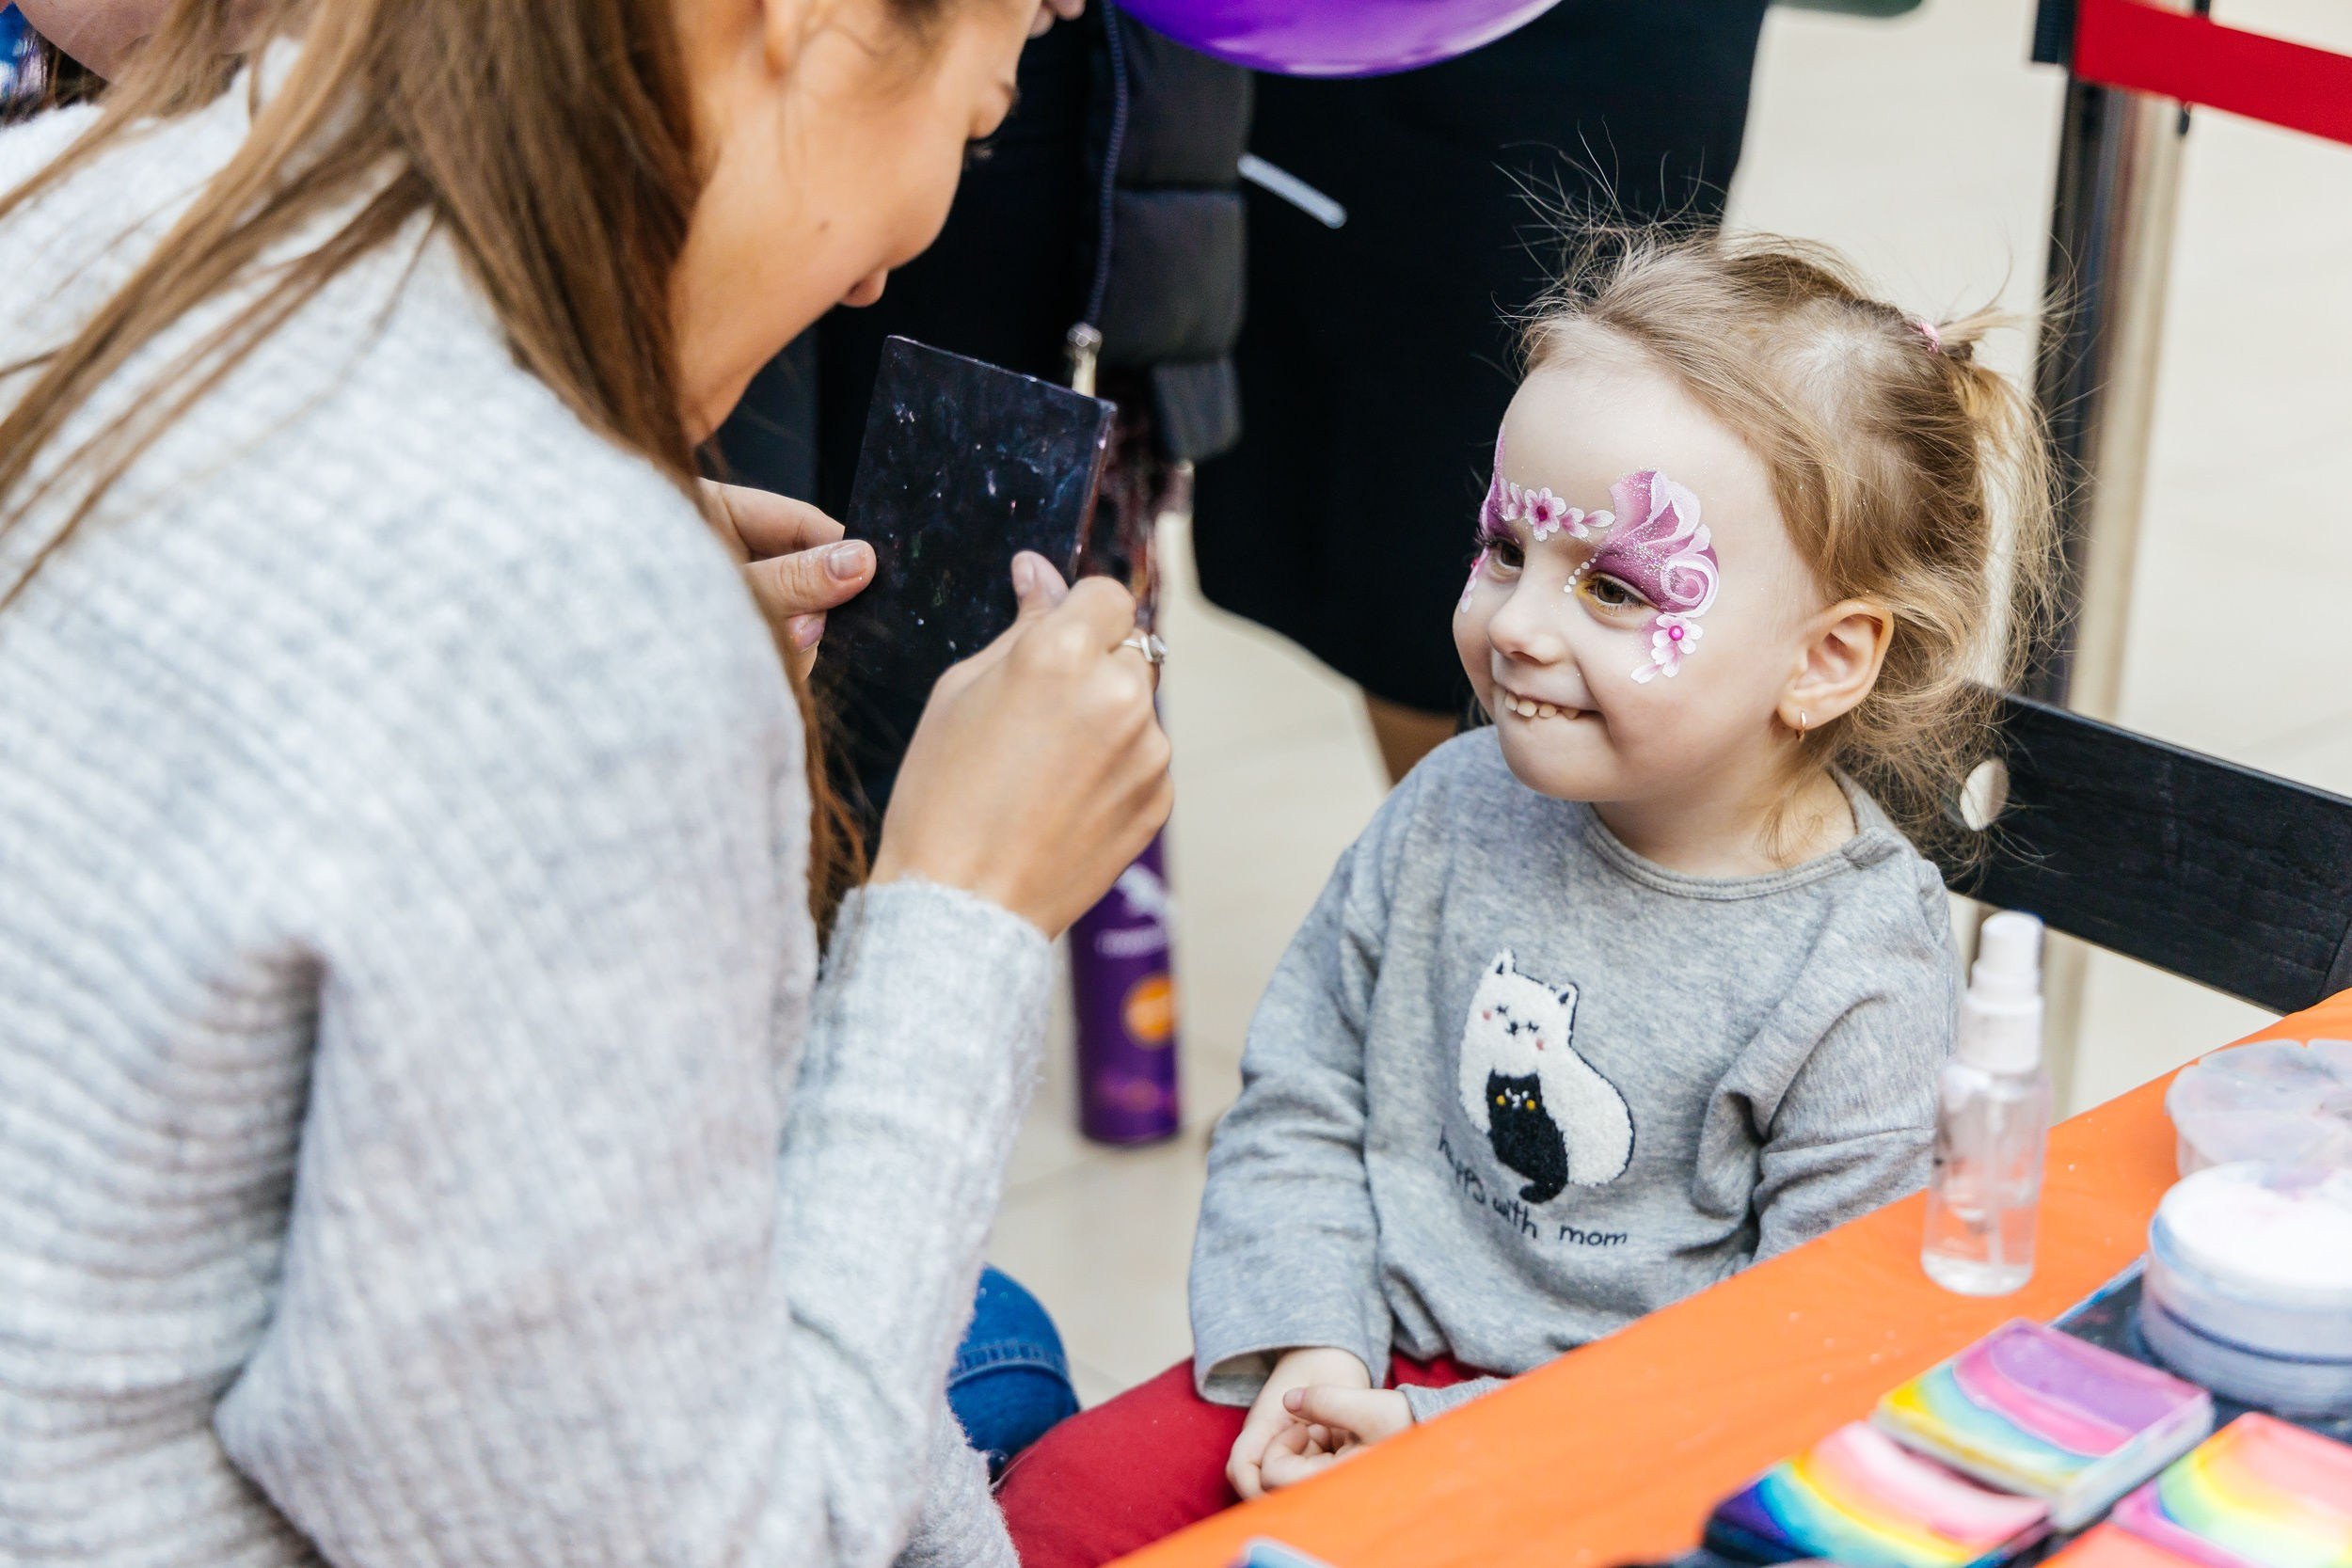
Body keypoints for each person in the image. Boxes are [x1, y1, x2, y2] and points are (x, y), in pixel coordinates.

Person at [0, 0, 1169, 1564]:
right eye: (967, 120)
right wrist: (964, 907)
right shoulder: (565, 609)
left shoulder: (74, 203)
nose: (887, 263)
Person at [994, 230, 2059, 1565]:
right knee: (1056, 1508)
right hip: (1351, 1344)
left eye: (1615, 585)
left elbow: (1798, 1347)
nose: (1518, 624)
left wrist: (1477, 1440)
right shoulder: (1451, 802)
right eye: (1506, 546)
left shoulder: (1858, 959)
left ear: (1827, 656)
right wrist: (1313, 1339)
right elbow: (1301, 1098)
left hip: (1615, 1452)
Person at [1190, 0, 1772, 783]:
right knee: (1412, 532)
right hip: (1357, 56)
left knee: (1582, 447)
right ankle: (1465, 856)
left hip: (1584, 53)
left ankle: (1520, 864)